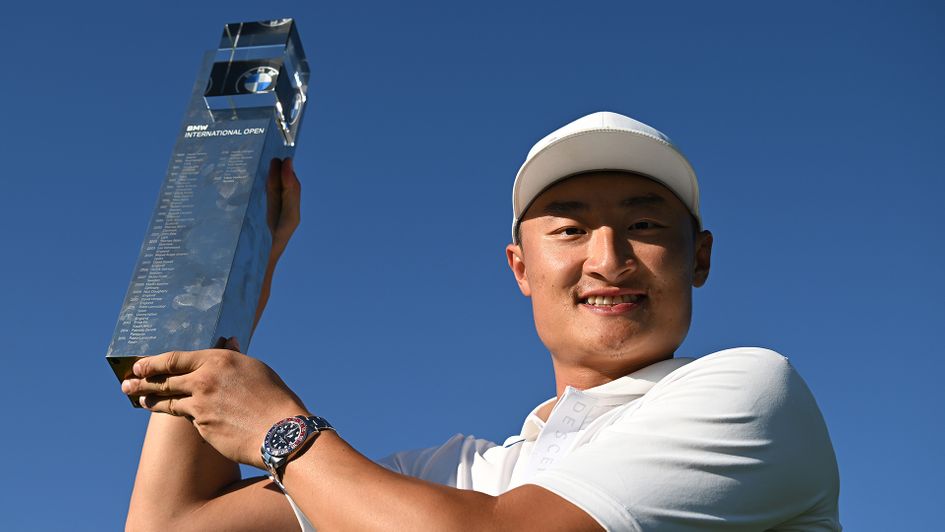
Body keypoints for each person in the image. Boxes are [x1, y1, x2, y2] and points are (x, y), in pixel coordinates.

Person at [122, 112, 841, 531]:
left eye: (644, 225)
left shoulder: (750, 392)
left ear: (699, 258)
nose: (606, 258)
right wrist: (230, 271)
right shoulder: (460, 473)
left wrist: (283, 433)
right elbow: (173, 526)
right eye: (569, 229)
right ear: (520, 268)